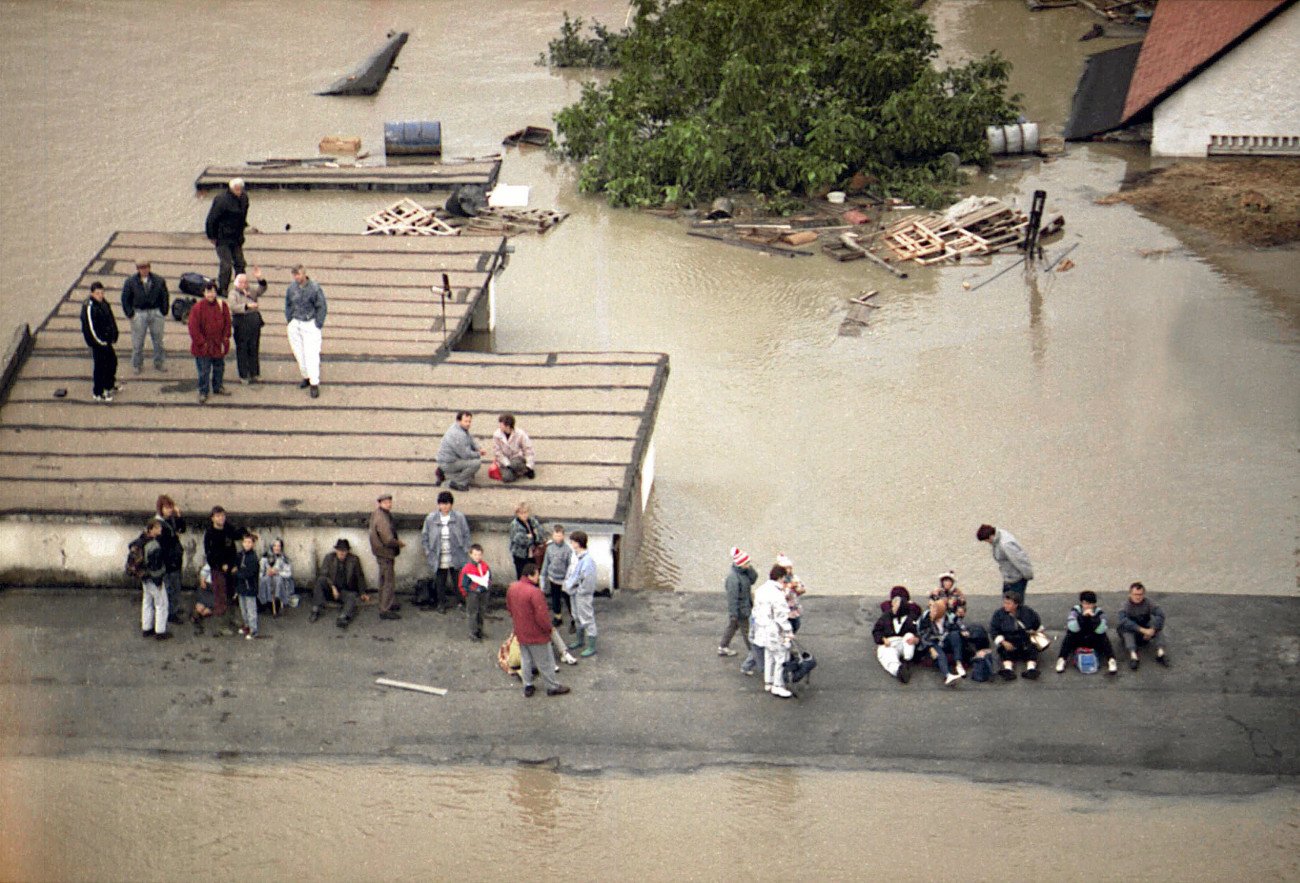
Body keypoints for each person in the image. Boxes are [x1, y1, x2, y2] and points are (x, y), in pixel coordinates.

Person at [506, 563, 571, 698]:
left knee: (526, 659)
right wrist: (549, 629)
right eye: (536, 574)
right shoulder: (535, 593)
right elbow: (542, 616)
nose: (538, 577)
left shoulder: (512, 588)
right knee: (545, 661)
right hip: (536, 634)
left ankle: (528, 685)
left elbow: (510, 608)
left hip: (521, 631)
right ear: (530, 575)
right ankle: (552, 686)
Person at [419, 491, 471, 611]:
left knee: (458, 580)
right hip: (439, 555)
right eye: (442, 504)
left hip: (456, 554)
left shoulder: (459, 517)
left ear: (451, 504)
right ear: (438, 505)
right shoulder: (431, 518)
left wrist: (466, 548)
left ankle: (460, 602)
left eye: (447, 504)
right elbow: (425, 536)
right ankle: (441, 603)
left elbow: (466, 534)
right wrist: (428, 551)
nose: (445, 506)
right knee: (440, 582)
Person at [284, 264, 327, 398]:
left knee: (312, 354)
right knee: (298, 352)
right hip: (296, 322)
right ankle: (306, 377)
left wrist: (318, 323)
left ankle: (314, 383)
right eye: (295, 275)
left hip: (310, 323)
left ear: (304, 274)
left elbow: (321, 306)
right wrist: (290, 319)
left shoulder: (314, 288)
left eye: (299, 274)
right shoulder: (291, 288)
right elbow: (288, 304)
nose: (297, 277)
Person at [752, 564, 794, 698]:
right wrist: (788, 631)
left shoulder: (761, 590)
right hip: (773, 630)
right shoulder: (777, 595)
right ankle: (778, 685)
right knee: (781, 656)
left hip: (761, 628)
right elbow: (781, 616)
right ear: (781, 578)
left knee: (769, 655)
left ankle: (768, 682)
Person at [120, 259, 169, 374]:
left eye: (146, 267)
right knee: (137, 342)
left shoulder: (159, 280)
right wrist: (130, 314)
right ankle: (137, 364)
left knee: (158, 341)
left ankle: (159, 362)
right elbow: (125, 299)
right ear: (137, 269)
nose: (144, 270)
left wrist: (163, 311)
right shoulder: (130, 282)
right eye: (142, 268)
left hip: (155, 312)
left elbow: (165, 296)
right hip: (139, 313)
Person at [187, 281, 231, 404]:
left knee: (219, 367)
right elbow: (193, 328)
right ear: (203, 293)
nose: (210, 294)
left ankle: (218, 387)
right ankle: (203, 391)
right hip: (203, 347)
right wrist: (202, 343)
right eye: (208, 292)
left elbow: (227, 323)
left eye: (212, 291)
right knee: (204, 371)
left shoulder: (223, 305)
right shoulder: (197, 308)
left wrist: (225, 338)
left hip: (218, 345)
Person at [1055, 590, 1118, 675]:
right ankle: (1062, 659)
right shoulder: (1075, 610)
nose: (1087, 606)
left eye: (1090, 604)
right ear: (1081, 603)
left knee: (1103, 636)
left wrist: (1093, 618)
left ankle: (1111, 660)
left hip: (1093, 640)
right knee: (1069, 635)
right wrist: (1083, 617)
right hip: (1079, 639)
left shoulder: (1099, 613)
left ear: (1094, 604)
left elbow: (1101, 630)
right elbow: (1073, 627)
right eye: (1085, 604)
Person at [311, 538, 369, 629]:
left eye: (344, 551)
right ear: (336, 550)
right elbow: (323, 574)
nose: (341, 553)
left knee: (352, 596)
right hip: (331, 589)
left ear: (347, 551)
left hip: (344, 591)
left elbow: (360, 576)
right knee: (320, 580)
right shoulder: (329, 558)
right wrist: (333, 587)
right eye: (339, 550)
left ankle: (343, 617)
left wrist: (363, 592)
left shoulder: (354, 560)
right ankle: (316, 610)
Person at [205, 177, 249, 296]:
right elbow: (211, 219)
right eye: (237, 189)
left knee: (240, 263)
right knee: (226, 264)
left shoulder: (244, 199)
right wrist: (211, 236)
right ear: (231, 188)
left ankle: (241, 286)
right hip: (222, 237)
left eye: (240, 189)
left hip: (236, 237)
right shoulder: (221, 200)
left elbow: (243, 217)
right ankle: (223, 288)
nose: (239, 191)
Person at [989, 591, 1044, 680]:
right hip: (1009, 640)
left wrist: (1034, 631)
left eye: (1008, 603)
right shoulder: (998, 614)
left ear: (1016, 604)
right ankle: (1008, 669)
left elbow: (1036, 624)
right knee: (1004, 651)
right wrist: (1003, 642)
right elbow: (993, 630)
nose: (1005, 605)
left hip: (1024, 640)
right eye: (1005, 603)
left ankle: (1031, 669)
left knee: (1032, 648)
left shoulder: (1028, 612)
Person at [872, 586, 922, 683]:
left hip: (903, 641)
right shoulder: (886, 616)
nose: (893, 607)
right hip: (889, 642)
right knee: (886, 655)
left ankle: (907, 660)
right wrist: (882, 639)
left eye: (896, 605)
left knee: (909, 636)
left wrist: (916, 639)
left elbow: (918, 631)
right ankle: (899, 671)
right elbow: (876, 630)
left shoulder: (910, 618)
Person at [80, 281, 119, 402]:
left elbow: (110, 318)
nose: (100, 295)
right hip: (98, 343)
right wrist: (99, 342)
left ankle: (109, 385)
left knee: (112, 362)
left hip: (106, 340)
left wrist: (114, 333)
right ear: (92, 293)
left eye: (102, 293)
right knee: (100, 367)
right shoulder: (89, 307)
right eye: (97, 293)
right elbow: (90, 328)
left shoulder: (104, 303)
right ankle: (98, 392)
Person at [368, 493, 405, 621]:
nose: (388, 504)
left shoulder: (377, 514)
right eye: (386, 502)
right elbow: (388, 539)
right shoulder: (382, 517)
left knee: (384, 580)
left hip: (380, 552)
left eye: (389, 502)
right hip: (385, 552)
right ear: (380, 503)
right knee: (388, 581)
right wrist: (399, 544)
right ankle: (385, 608)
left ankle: (386, 603)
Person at [1117, 581, 1169, 670]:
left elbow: (1160, 615)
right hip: (1133, 630)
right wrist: (1142, 630)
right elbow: (1123, 621)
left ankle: (1160, 653)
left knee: (1158, 626)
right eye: (1135, 594)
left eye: (1140, 594)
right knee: (1125, 629)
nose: (1138, 597)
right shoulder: (1124, 606)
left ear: (1144, 594)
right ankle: (1133, 656)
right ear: (1130, 594)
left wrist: (1153, 629)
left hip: (1146, 628)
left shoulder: (1149, 603)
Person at [563, 530, 599, 658]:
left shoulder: (587, 561)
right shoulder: (576, 556)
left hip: (582, 594)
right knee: (576, 616)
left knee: (587, 619)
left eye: (572, 541)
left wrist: (580, 591)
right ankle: (580, 640)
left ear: (578, 543)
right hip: (574, 592)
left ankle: (592, 646)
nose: (571, 543)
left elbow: (588, 581)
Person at [203, 506, 242, 620]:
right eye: (218, 516)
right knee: (220, 596)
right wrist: (220, 565)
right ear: (212, 518)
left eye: (223, 516)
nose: (221, 518)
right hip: (218, 569)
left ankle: (232, 618)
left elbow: (236, 536)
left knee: (232, 594)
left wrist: (246, 533)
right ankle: (222, 623)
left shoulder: (228, 528)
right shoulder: (210, 533)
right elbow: (209, 554)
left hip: (231, 567)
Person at [229, 268, 266, 384]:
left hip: (253, 322)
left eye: (246, 282)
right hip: (241, 322)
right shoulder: (233, 293)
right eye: (241, 282)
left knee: (254, 348)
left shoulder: (251, 290)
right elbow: (233, 306)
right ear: (236, 283)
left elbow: (262, 289)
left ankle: (255, 373)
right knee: (242, 349)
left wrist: (260, 278)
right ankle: (244, 374)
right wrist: (247, 306)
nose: (244, 284)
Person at [977, 524, 1034, 601]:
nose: (987, 543)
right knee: (1007, 603)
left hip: (1016, 579)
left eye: (986, 540)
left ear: (990, 536)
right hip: (1009, 577)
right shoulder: (999, 537)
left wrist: (1027, 574)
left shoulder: (1005, 544)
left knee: (1014, 605)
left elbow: (1019, 560)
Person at [153, 495, 186, 624]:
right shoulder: (159, 523)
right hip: (167, 561)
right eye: (167, 508)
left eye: (171, 507)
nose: (169, 510)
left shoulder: (171, 520)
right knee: (170, 588)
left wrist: (179, 515)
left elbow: (182, 528)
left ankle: (174, 609)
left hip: (175, 559)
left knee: (176, 586)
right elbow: (164, 542)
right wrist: (174, 536)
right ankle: (170, 613)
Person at [136, 519, 170, 641]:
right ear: (152, 530)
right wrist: (159, 580)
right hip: (153, 578)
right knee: (161, 603)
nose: (160, 529)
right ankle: (160, 631)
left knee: (147, 602)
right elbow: (156, 566)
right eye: (158, 528)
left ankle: (147, 628)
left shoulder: (141, 541)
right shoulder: (154, 545)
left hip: (143, 576)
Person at [917, 598, 964, 687]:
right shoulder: (925, 619)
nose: (932, 612)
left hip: (945, 639)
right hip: (933, 642)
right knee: (939, 653)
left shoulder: (948, 617)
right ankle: (947, 675)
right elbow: (923, 635)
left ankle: (958, 664)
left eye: (935, 610)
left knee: (954, 635)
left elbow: (958, 624)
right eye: (932, 609)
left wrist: (963, 630)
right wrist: (930, 648)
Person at [719, 547, 756, 657]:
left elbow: (753, 579)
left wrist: (749, 568)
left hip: (744, 606)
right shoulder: (733, 578)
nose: (749, 564)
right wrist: (733, 614)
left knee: (733, 626)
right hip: (741, 610)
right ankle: (754, 654)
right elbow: (732, 598)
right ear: (740, 564)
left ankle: (723, 646)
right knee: (747, 631)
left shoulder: (744, 573)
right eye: (747, 563)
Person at [436, 411, 482, 491]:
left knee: (470, 469)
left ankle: (443, 472)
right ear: (459, 421)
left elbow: (470, 438)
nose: (468, 424)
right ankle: (458, 482)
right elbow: (465, 455)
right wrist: (478, 454)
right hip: (448, 463)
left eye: (469, 421)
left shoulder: (458, 427)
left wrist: (478, 448)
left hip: (448, 460)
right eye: (466, 421)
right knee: (476, 463)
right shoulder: (458, 434)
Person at [541, 524, 573, 631]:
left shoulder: (568, 550)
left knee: (569, 600)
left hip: (564, 580)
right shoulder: (549, 548)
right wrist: (543, 575)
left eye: (559, 536)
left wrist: (569, 580)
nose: (557, 538)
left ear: (563, 536)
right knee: (555, 599)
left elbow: (570, 566)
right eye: (555, 535)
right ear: (552, 536)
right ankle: (557, 617)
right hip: (553, 579)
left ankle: (574, 619)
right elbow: (546, 562)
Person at [460, 543, 492, 641]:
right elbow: (463, 583)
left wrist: (488, 588)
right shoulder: (467, 568)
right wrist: (467, 592)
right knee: (472, 613)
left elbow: (489, 578)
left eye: (479, 555)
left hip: (483, 592)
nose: (477, 557)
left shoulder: (485, 566)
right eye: (475, 555)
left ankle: (480, 630)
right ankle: (473, 633)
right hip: (472, 594)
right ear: (470, 555)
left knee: (481, 612)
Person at [258, 537, 297, 615]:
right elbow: (261, 572)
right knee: (264, 580)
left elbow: (288, 573)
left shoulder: (284, 558)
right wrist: (267, 573)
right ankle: (266, 602)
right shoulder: (265, 558)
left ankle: (277, 599)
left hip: (281, 580)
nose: (277, 548)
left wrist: (278, 572)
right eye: (275, 546)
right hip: (268, 579)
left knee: (278, 580)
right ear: (271, 547)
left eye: (279, 546)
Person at [492, 413, 536, 482]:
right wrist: (506, 463)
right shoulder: (496, 435)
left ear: (508, 426)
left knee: (515, 464)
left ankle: (525, 469)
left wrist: (529, 465)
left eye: (501, 424)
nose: (499, 426)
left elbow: (528, 449)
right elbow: (497, 452)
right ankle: (519, 471)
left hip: (517, 458)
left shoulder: (520, 434)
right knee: (507, 478)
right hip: (504, 460)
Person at [234, 532, 261, 640]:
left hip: (250, 587)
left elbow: (249, 573)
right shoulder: (240, 554)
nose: (247, 544)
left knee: (251, 610)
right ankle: (246, 625)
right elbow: (236, 564)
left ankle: (253, 630)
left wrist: (237, 573)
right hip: (241, 587)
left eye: (249, 542)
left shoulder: (253, 558)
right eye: (245, 542)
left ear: (253, 544)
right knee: (243, 609)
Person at [508, 502, 543, 580]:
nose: (524, 515)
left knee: (533, 575)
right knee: (522, 576)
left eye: (526, 512)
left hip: (532, 554)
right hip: (520, 556)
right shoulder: (514, 524)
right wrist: (532, 536)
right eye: (521, 513)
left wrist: (531, 536)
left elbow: (540, 533)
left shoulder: (532, 521)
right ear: (517, 514)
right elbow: (519, 540)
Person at [775, 554, 806, 633]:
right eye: (786, 568)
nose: (788, 570)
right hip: (783, 608)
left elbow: (802, 589)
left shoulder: (794, 577)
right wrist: (789, 587)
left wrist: (798, 589)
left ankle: (788, 637)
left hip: (793, 608)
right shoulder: (777, 580)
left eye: (789, 568)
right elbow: (780, 595)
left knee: (796, 624)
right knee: (784, 627)